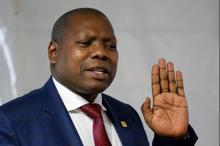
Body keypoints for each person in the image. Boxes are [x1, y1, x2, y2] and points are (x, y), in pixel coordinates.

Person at [0, 8, 198, 146]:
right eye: (86, 43)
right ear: (53, 52)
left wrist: (171, 140)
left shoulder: (126, 115)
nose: (101, 53)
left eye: (110, 46)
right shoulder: (11, 120)